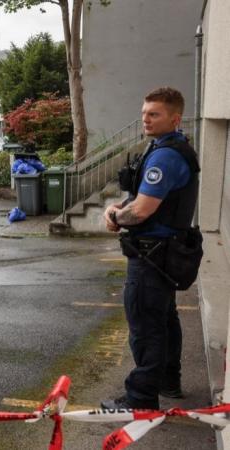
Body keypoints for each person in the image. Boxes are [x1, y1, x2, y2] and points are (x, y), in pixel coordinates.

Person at [101, 87, 200, 410]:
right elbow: (142, 200)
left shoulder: (166, 156)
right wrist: (120, 206)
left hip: (152, 255)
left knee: (146, 325)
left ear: (174, 118)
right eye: (144, 113)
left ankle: (141, 397)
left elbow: (142, 211)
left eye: (154, 114)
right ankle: (169, 382)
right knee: (165, 321)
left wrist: (117, 214)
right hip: (163, 253)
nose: (145, 119)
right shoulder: (167, 147)